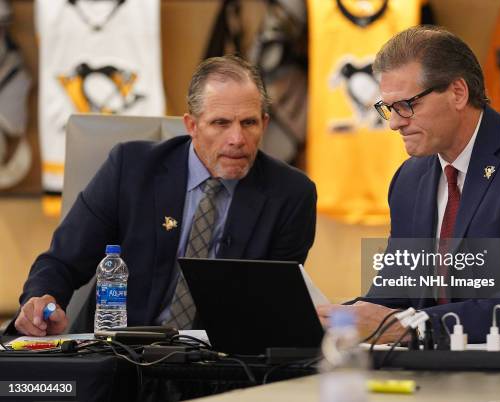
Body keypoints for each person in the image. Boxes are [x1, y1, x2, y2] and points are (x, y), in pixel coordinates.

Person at [317, 26, 500, 343]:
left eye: (406, 105)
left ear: (458, 93)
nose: (394, 123)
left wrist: (410, 327)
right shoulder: (409, 179)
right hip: (429, 373)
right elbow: (392, 296)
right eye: (388, 109)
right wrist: (330, 318)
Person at [13, 55, 317, 336]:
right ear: (192, 126)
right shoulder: (130, 169)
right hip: (118, 356)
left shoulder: (291, 196)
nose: (237, 139)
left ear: (264, 124)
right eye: (220, 123)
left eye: (249, 123)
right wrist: (42, 301)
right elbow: (63, 262)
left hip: (221, 366)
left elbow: (273, 308)